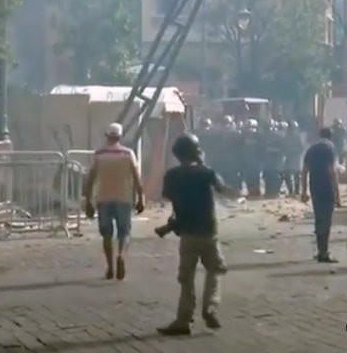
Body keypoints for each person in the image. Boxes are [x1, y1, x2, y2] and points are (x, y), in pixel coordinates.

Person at [157, 133, 240, 336]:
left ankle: (184, 320)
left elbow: (169, 197)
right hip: (208, 230)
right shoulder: (206, 172)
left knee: (187, 278)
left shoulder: (172, 175)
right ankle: (210, 308)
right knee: (215, 269)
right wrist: (203, 164)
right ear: (197, 151)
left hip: (187, 233)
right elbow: (225, 191)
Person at [83, 123, 145, 280]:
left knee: (107, 235)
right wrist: (141, 198)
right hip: (124, 199)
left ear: (107, 136)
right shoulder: (128, 153)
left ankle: (110, 268)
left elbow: (89, 179)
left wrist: (88, 200)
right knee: (124, 233)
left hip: (103, 199)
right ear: (120, 136)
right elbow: (137, 179)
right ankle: (121, 256)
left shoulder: (99, 154)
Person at [300, 127, 341, 263]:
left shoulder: (311, 149)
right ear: (330, 137)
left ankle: (320, 251)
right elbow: (332, 171)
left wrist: (304, 191)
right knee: (326, 220)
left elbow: (304, 171)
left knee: (319, 219)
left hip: (314, 187)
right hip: (326, 187)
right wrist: (337, 193)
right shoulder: (330, 148)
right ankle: (324, 253)